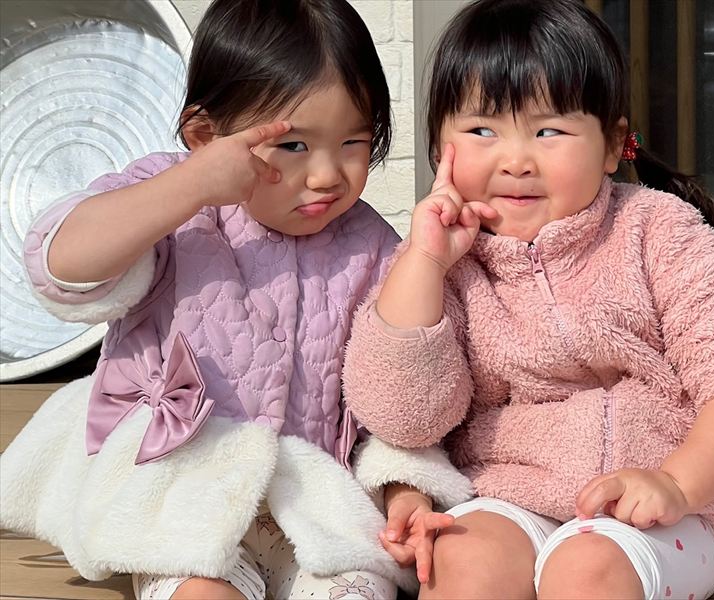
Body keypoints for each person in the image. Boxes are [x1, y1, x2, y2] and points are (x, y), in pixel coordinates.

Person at [0, 1, 472, 598]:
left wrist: (403, 489)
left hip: (315, 507)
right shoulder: (177, 210)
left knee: (354, 590)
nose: (328, 175)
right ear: (206, 136)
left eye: (353, 140)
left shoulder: (372, 247)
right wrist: (192, 183)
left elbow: (389, 394)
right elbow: (62, 266)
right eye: (294, 145)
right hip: (180, 498)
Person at [342, 1, 714, 598]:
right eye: (482, 130)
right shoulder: (441, 263)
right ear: (437, 149)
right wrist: (424, 264)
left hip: (670, 507)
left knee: (586, 568)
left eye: (549, 130)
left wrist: (677, 483)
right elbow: (403, 416)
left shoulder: (661, 233)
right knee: (460, 561)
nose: (516, 161)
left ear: (612, 144)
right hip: (510, 491)